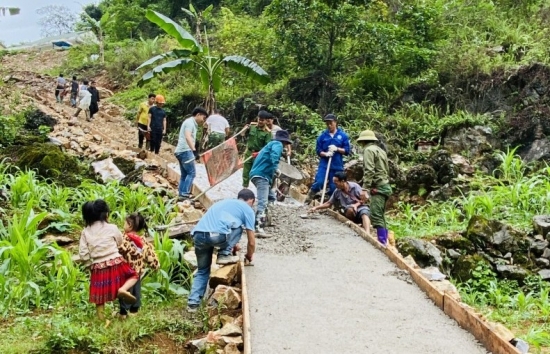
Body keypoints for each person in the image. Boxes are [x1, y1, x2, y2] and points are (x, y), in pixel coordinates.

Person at [187, 189, 256, 313]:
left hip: (198, 235)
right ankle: (224, 255)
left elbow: (217, 223)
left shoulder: (223, 203)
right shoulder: (248, 209)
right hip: (218, 236)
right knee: (239, 228)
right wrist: (249, 256)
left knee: (203, 270)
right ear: (251, 201)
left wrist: (231, 245)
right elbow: (251, 241)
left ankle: (193, 304)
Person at [79, 199, 139, 320]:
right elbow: (120, 241)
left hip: (97, 266)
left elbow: (83, 254)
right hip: (116, 261)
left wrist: (89, 264)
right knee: (133, 276)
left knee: (99, 297)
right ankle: (123, 289)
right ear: (106, 214)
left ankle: (102, 320)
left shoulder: (85, 232)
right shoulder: (112, 227)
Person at [250, 130, 293, 236]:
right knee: (263, 201)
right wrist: (276, 169)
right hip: (262, 175)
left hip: (259, 174)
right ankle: (257, 227)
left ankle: (265, 220)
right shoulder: (277, 144)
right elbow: (274, 157)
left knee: (271, 197)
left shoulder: (270, 144)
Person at [118, 212, 160, 319]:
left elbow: (118, 249)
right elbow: (150, 256)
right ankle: (134, 311)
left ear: (129, 225)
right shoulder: (143, 241)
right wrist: (155, 265)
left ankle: (123, 313)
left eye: (124, 223)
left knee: (126, 291)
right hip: (137, 271)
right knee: (136, 290)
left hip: (125, 271)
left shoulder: (123, 239)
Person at [357, 130, 392, 246]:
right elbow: (386, 169)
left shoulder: (368, 150)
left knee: (376, 215)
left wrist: (365, 188)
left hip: (378, 187)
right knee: (381, 215)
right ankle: (384, 241)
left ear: (363, 142)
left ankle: (382, 242)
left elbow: (369, 170)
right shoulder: (381, 151)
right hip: (385, 186)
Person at [305, 114, 350, 204]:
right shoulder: (322, 137)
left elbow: (347, 150)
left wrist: (337, 149)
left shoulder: (343, 136)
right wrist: (325, 154)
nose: (329, 125)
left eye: (331, 123)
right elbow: (318, 150)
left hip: (337, 165)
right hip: (324, 164)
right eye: (327, 124)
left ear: (335, 123)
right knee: (319, 182)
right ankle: (308, 200)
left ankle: (330, 204)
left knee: (335, 187)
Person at [174, 107, 208, 200]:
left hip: (181, 151)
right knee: (191, 173)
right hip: (185, 150)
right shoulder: (189, 122)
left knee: (185, 174)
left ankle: (181, 194)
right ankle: (184, 194)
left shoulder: (191, 123)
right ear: (198, 115)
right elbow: (188, 137)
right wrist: (194, 151)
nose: (203, 121)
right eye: (203, 118)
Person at [242, 110, 272, 188]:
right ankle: (245, 187)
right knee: (246, 171)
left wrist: (259, 153)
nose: (260, 121)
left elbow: (267, 147)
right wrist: (245, 128)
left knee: (256, 173)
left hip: (258, 155)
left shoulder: (267, 133)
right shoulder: (252, 126)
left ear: (266, 121)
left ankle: (261, 189)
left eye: (262, 120)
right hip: (249, 152)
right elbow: (242, 134)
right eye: (259, 119)